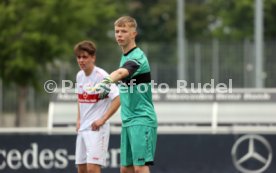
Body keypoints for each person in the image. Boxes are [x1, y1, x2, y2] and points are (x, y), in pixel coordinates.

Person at [94, 16, 157, 173]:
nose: (119, 34)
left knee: (139, 169)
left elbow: (122, 72)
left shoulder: (137, 57)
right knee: (125, 169)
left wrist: (106, 80)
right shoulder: (125, 56)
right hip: (128, 120)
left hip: (141, 119)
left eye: (124, 31)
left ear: (134, 34)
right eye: (117, 31)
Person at [74, 40, 120, 173]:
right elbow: (80, 98)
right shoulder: (79, 76)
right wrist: (78, 119)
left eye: (85, 57)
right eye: (79, 57)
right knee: (82, 169)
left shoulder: (102, 77)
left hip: (97, 129)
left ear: (93, 58)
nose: (81, 60)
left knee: (92, 169)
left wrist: (103, 119)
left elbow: (118, 98)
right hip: (83, 128)